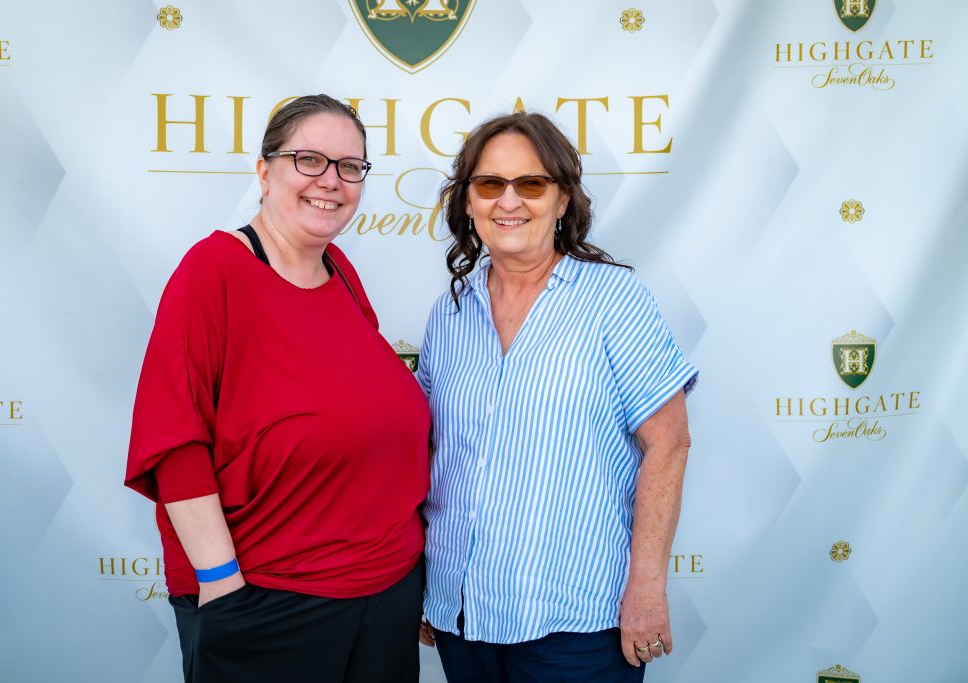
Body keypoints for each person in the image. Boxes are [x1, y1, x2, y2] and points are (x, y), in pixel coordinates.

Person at [125, 94, 430, 683]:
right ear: (264, 171)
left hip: (387, 592)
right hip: (272, 599)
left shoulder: (339, 269)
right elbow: (175, 441)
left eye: (350, 166)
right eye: (309, 159)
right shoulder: (214, 270)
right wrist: (222, 588)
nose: (331, 181)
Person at [416, 112, 698, 682]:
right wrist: (428, 584)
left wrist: (646, 588)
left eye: (532, 184)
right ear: (468, 201)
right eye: (490, 183)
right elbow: (431, 456)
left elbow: (668, 445)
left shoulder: (615, 299)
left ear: (563, 199)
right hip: (461, 619)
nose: (509, 201)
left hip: (577, 626)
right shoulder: (448, 313)